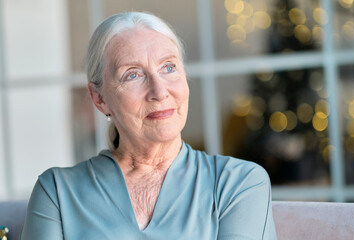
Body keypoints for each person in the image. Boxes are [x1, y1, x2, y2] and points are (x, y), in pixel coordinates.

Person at [21, 12, 277, 239]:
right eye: (133, 74)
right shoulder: (56, 192)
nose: (159, 91)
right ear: (99, 99)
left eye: (168, 67)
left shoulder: (238, 183)